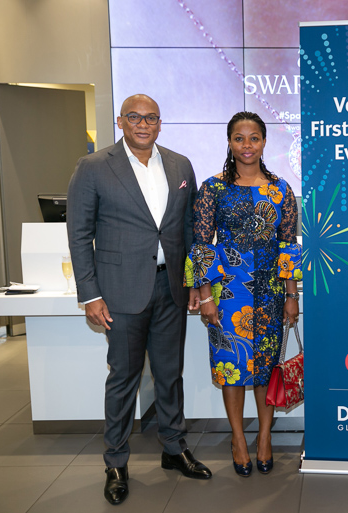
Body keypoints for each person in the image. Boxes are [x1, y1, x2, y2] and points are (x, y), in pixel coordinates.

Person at [67, 94, 212, 505]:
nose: (143, 124)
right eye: (134, 117)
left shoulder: (180, 165)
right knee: (123, 379)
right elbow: (79, 234)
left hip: (170, 289)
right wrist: (90, 294)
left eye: (151, 118)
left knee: (170, 375)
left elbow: (189, 228)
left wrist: (194, 281)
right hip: (120, 292)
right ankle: (115, 462)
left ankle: (174, 448)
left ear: (160, 124)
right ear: (121, 121)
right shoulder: (94, 166)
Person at [186, 111, 301, 478]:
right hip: (228, 294)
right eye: (239, 138)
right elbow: (202, 245)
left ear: (264, 142)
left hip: (270, 292)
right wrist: (205, 296)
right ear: (230, 142)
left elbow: (288, 245)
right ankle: (238, 439)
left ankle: (264, 437)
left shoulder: (281, 189)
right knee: (231, 366)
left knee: (265, 368)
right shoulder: (213, 189)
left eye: (254, 138)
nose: (247, 145)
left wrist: (292, 295)